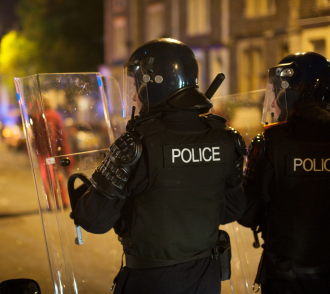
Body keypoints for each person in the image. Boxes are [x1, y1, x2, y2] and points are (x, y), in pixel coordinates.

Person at [73, 38, 246, 294]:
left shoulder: (137, 142)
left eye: (137, 84)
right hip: (206, 278)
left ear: (155, 85)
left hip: (152, 281)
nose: (133, 95)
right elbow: (233, 210)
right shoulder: (225, 137)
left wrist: (84, 197)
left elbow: (95, 221)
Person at [238, 52, 330, 294]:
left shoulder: (271, 143)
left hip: (286, 277)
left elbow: (248, 215)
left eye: (278, 92)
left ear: (293, 93)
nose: (272, 102)